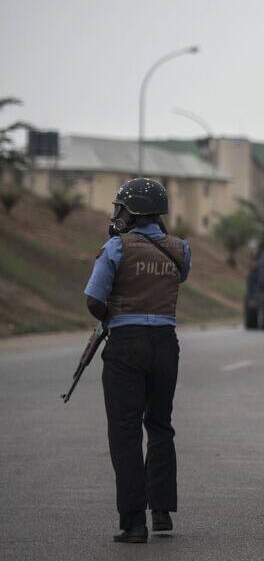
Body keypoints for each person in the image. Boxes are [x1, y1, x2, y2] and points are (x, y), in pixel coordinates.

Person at [83, 177, 192, 542]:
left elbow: (94, 301)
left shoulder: (115, 248)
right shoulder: (180, 248)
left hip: (127, 345)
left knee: (125, 432)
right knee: (160, 425)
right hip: (165, 344)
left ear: (132, 210)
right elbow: (180, 278)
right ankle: (161, 514)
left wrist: (111, 315)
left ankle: (133, 523)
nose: (117, 214)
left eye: (120, 208)